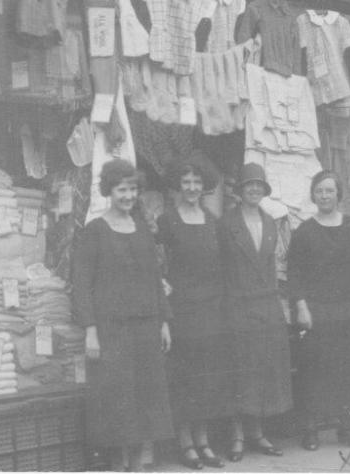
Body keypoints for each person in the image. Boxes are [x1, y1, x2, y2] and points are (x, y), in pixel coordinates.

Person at [71, 159, 174, 471]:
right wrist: (90, 330)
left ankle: (139, 462)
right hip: (112, 330)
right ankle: (120, 463)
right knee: (119, 399)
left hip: (145, 326)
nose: (128, 196)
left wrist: (164, 322)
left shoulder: (142, 229)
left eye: (132, 189)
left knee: (146, 394)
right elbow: (82, 284)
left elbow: (155, 279)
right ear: (108, 191)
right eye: (121, 189)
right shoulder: (94, 231)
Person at [287, 170, 350, 452]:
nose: (324, 196)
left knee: (348, 368)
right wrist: (301, 307)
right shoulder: (304, 231)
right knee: (315, 369)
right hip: (319, 310)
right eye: (320, 191)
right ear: (313, 195)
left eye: (329, 191)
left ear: (338, 194)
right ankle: (311, 428)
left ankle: (345, 426)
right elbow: (295, 274)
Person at [155, 156, 230, 469]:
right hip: (182, 310)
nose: (191, 188)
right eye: (186, 182)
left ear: (204, 186)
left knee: (207, 378)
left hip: (211, 309)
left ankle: (204, 441)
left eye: (197, 182)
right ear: (178, 185)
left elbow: (222, 265)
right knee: (184, 378)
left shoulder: (213, 219)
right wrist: (163, 285)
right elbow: (157, 263)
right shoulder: (167, 220)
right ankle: (186, 444)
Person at [218, 162, 292, 462]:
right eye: (249, 184)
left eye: (258, 185)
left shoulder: (271, 222)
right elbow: (219, 269)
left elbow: (272, 270)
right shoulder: (225, 223)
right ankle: (237, 436)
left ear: (264, 190)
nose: (254, 189)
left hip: (267, 304)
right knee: (240, 371)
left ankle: (257, 432)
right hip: (238, 304)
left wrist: (280, 306)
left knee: (264, 371)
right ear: (240, 189)